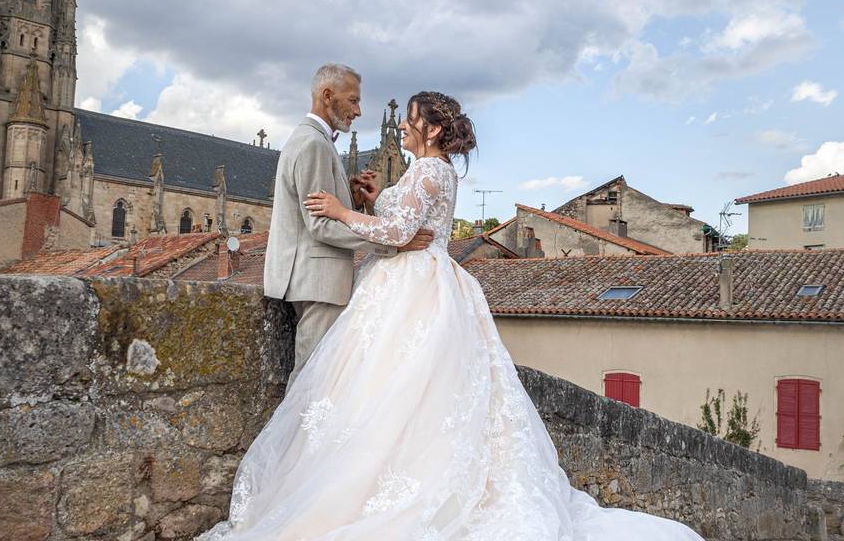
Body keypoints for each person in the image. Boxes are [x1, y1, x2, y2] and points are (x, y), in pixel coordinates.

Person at [198, 91, 704, 540]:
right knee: (395, 390)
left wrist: (340, 209)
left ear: (433, 129)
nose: (401, 127)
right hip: (412, 280)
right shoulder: (425, 171)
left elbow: (398, 235)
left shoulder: (431, 169)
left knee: (396, 388)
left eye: (409, 120)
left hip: (414, 283)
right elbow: (402, 221)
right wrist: (377, 199)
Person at [262, 63, 433, 388]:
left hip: (314, 278)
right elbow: (321, 226)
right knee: (311, 380)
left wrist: (352, 198)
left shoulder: (314, 140)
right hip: (316, 280)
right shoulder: (313, 144)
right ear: (327, 96)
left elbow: (319, 212)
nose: (358, 110)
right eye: (352, 100)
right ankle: (294, 441)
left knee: (320, 377)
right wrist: (393, 243)